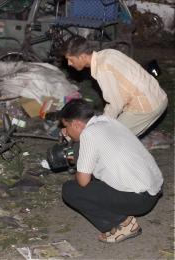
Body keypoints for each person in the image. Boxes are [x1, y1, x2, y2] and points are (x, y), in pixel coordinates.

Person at [60, 99, 163, 243]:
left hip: (139, 199)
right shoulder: (108, 121)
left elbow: (83, 181)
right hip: (154, 189)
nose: (66, 132)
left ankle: (123, 224)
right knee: (94, 175)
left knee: (71, 189)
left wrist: (77, 161)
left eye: (66, 127)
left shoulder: (89, 134)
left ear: (76, 124)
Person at [62, 35, 168, 136]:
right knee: (122, 135)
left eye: (71, 59)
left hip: (146, 105)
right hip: (159, 97)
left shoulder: (102, 69)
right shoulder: (108, 53)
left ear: (82, 56)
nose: (69, 63)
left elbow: (115, 104)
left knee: (112, 137)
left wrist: (101, 125)